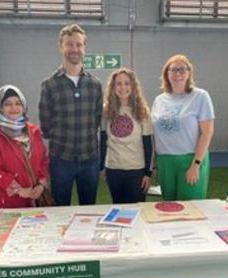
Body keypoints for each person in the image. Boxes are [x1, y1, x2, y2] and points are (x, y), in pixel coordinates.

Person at [39, 23, 103, 206]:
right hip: (61, 160)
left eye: (78, 44)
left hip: (90, 158)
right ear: (61, 47)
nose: (74, 49)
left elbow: (98, 119)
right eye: (69, 44)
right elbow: (46, 126)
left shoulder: (95, 85)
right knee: (59, 209)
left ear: (84, 47)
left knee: (89, 208)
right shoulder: (49, 85)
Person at [151, 54, 215, 201]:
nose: (177, 73)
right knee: (169, 205)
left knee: (190, 207)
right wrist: (154, 164)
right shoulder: (159, 100)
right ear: (166, 74)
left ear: (189, 72)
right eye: (173, 70)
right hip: (165, 161)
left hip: (190, 159)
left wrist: (196, 164)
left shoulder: (200, 96)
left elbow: (207, 132)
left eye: (182, 69)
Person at [0, 85, 49, 208]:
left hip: (33, 198)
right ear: (0, 107)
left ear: (24, 106)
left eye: (18, 103)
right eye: (7, 104)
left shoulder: (33, 131)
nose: (14, 108)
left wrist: (41, 184)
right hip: (4, 200)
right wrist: (19, 190)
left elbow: (43, 160)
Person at [100, 68, 153, 204]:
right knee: (118, 210)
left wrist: (147, 173)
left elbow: (148, 144)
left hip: (136, 170)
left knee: (137, 211)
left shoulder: (142, 111)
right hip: (113, 170)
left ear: (133, 86)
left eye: (127, 83)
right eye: (118, 84)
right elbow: (103, 140)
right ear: (113, 87)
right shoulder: (106, 110)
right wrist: (102, 167)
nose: (123, 87)